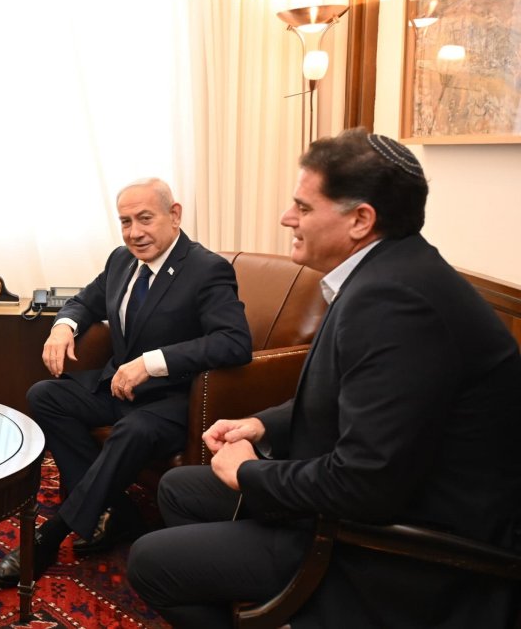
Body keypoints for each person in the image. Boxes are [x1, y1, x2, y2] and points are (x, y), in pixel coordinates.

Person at [127, 130, 521, 627]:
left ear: (360, 220)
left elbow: (365, 485)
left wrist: (251, 473)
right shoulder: (387, 272)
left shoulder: (398, 305)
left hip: (397, 546)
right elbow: (352, 398)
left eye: (303, 208)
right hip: (371, 499)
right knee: (180, 489)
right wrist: (263, 425)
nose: (287, 218)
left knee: (150, 563)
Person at [0, 178, 253, 587]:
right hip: (117, 388)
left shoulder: (206, 269)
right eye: (126, 221)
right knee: (45, 396)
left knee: (132, 430)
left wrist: (151, 363)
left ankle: (51, 535)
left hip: (172, 400)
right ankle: (115, 510)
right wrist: (63, 326)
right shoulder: (121, 260)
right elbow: (84, 301)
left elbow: (234, 342)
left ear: (175, 214)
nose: (134, 232)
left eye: (145, 219)